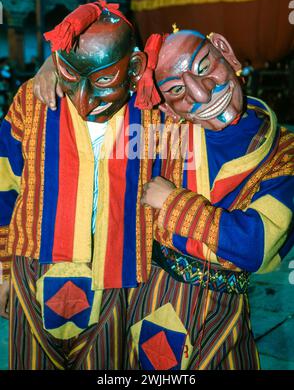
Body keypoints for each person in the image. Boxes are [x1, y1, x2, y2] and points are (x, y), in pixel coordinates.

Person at [30, 29, 294, 370]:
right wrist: (59, 68)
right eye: (177, 91)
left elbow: (257, 244)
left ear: (225, 50)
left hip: (228, 310)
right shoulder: (167, 137)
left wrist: (172, 204)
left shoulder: (281, 150)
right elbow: (93, 121)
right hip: (159, 300)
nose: (202, 92)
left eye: (204, 68)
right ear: (168, 108)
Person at [0, 0, 162, 370]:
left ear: (134, 68)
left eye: (104, 79)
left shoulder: (151, 111)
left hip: (116, 275)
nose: (85, 102)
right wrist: (3, 270)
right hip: (34, 267)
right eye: (71, 75)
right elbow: (5, 189)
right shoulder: (34, 101)